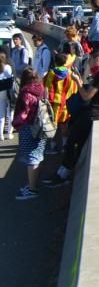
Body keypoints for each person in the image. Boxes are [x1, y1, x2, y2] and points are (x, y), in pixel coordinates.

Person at [12, 68, 48, 200]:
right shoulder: (42, 89)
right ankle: (33, 185)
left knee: (32, 158)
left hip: (29, 128)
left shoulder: (25, 93)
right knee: (38, 155)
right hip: (42, 127)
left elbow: (22, 115)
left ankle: (32, 190)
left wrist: (16, 125)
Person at [0, 53, 13, 140]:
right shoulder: (7, 67)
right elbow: (10, 78)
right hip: (8, 90)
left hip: (0, 91)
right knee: (10, 112)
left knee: (1, 113)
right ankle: (9, 133)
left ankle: (0, 134)